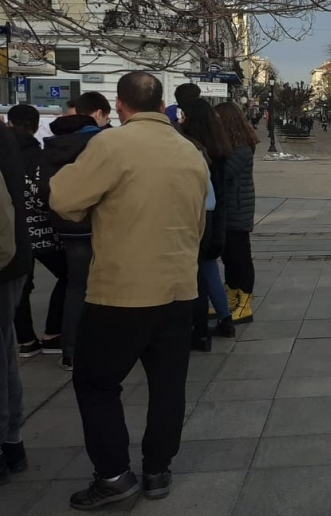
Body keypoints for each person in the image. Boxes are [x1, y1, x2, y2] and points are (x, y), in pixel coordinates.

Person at [50, 72, 208, 509]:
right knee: (167, 386)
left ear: (120, 106)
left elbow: (63, 199)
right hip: (179, 287)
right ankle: (158, 469)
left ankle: (115, 474)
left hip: (123, 290)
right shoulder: (190, 151)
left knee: (96, 381)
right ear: (161, 105)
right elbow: (199, 222)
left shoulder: (111, 145)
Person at [40, 92, 111, 371]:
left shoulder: (53, 144)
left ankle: (69, 351)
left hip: (65, 224)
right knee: (100, 287)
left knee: (75, 285)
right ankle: (100, 345)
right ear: (97, 114)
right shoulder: (99, 142)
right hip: (94, 223)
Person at [6, 105, 67, 360]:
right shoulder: (42, 157)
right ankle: (53, 333)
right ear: (34, 126)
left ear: (10, 123)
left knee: (21, 284)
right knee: (70, 276)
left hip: (13, 232)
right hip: (45, 232)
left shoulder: (4, 156)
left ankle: (26, 340)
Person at [180, 98, 234, 345]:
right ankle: (224, 319)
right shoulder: (218, 143)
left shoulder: (189, 147)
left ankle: (198, 329)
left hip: (196, 213)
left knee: (196, 272)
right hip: (214, 211)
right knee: (208, 267)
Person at [0, 121, 32, 486]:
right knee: (6, 353)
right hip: (15, 260)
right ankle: (12, 441)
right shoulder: (6, 137)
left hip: (6, 260)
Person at [215, 102, 259, 327]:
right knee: (229, 257)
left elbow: (226, 173)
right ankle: (231, 295)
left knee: (240, 257)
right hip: (230, 208)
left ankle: (245, 303)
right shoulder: (233, 144)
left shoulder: (241, 148)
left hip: (238, 209)